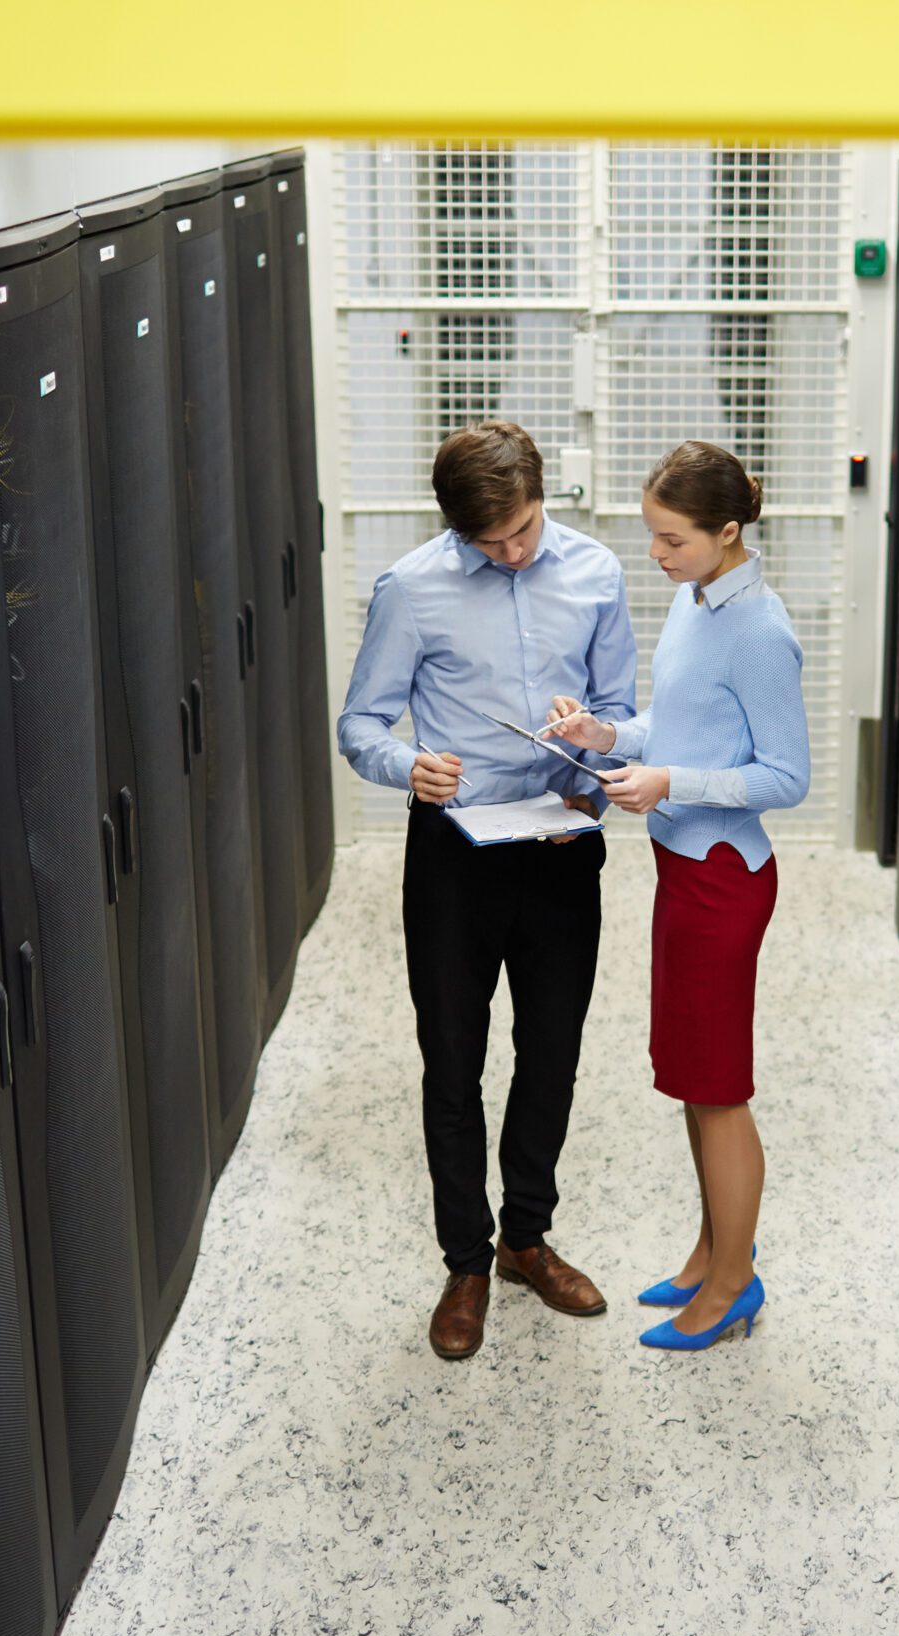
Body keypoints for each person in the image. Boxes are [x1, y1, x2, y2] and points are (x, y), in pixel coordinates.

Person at [337, 421, 639, 1361]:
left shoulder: (596, 573)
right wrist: (406, 763)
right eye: (490, 543)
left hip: (559, 839)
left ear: (544, 496)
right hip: (456, 852)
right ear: (457, 531)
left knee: (552, 1054)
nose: (511, 553)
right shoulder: (412, 588)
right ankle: (465, 1260)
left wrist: (593, 738)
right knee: (453, 1060)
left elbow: (626, 712)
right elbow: (360, 721)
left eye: (523, 531)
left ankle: (526, 1240)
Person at [547, 441, 808, 1351]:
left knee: (720, 1087)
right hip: (682, 868)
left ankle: (734, 1281)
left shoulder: (760, 631)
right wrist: (608, 731)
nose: (655, 558)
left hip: (724, 879)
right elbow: (682, 721)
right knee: (695, 1080)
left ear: (727, 532)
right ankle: (708, 1250)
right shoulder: (698, 603)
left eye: (670, 541)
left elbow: (785, 776)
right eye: (652, 539)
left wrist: (671, 783)